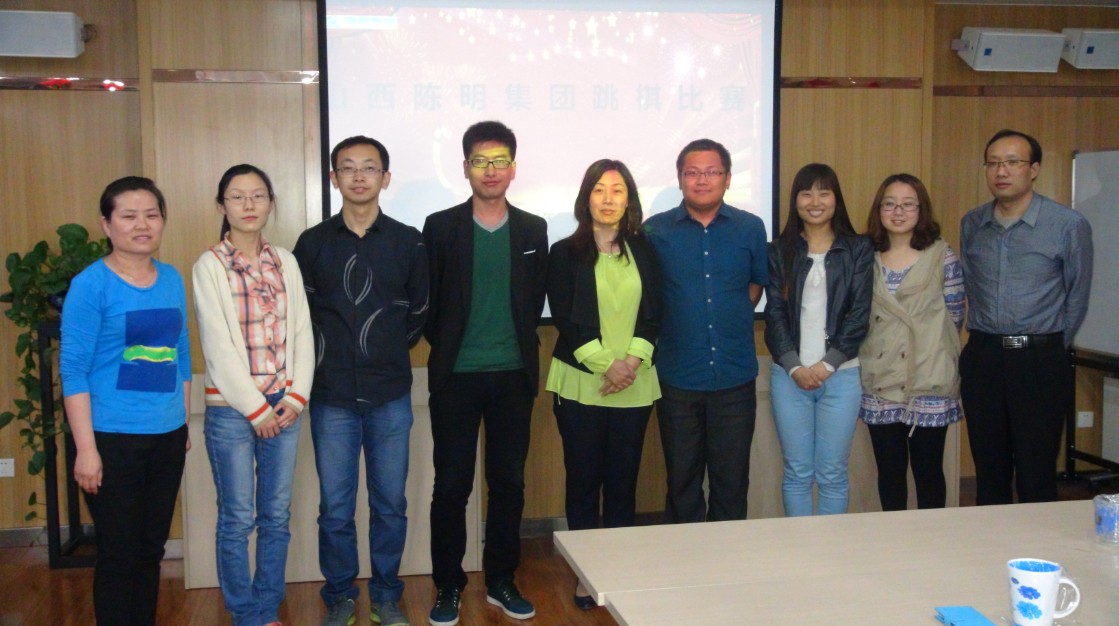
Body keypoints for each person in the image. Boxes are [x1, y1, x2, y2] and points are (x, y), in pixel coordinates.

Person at [293, 136, 429, 626]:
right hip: (331, 396)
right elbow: (301, 316)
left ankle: (387, 596)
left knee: (390, 504)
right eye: (347, 167)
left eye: (369, 167)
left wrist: (383, 349)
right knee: (335, 508)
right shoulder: (313, 243)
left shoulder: (409, 241)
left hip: (390, 393)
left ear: (385, 179)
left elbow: (420, 311)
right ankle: (340, 597)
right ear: (333, 178)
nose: (358, 176)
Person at [422, 120, 547, 626]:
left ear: (513, 169)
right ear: (465, 168)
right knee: (452, 485)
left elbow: (534, 298)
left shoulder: (533, 228)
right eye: (480, 161)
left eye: (499, 161)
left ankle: (500, 579)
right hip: (456, 375)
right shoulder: (440, 226)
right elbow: (429, 300)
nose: (490, 171)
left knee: (509, 483)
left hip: (513, 375)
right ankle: (449, 584)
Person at [61, 176, 191, 625]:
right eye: (129, 216)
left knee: (151, 550)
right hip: (111, 439)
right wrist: (86, 450)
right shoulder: (90, 285)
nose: (142, 225)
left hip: (167, 436)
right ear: (106, 224)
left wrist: (182, 421)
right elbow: (73, 371)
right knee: (119, 555)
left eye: (152, 215)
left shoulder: (171, 278)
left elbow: (181, 353)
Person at [193, 164, 314, 626]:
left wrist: (296, 398)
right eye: (237, 196)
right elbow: (218, 347)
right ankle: (244, 614)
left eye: (258, 195)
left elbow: (302, 332)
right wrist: (256, 409)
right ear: (221, 205)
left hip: (284, 406)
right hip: (232, 411)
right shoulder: (209, 265)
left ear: (270, 203)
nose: (248, 205)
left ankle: (267, 609)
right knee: (237, 518)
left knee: (276, 516)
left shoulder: (285, 260)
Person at [546, 159, 661, 610]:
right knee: (582, 481)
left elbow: (655, 312)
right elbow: (565, 317)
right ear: (586, 198)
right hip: (581, 383)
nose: (608, 198)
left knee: (622, 483)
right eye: (599, 189)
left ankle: (616, 569)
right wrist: (605, 365)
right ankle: (586, 573)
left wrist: (629, 362)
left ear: (629, 199)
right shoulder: (564, 252)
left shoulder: (646, 250)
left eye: (617, 190)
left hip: (635, 382)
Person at [959, 129, 1093, 505]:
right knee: (989, 470)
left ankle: (1037, 544)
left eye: (1012, 162)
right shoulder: (972, 223)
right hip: (984, 356)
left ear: (1033, 169)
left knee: (1036, 472)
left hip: (1039, 360)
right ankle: (992, 540)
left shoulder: (1067, 224)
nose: (1001, 171)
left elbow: (1077, 296)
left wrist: (1049, 346)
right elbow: (971, 285)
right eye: (993, 163)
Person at [643, 138, 768, 523]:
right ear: (680, 178)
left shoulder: (750, 227)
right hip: (677, 377)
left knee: (732, 482)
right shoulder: (655, 230)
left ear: (727, 178)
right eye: (692, 173)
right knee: (682, 481)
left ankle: (726, 558)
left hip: (734, 376)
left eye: (712, 172)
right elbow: (647, 296)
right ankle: (686, 557)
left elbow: (755, 286)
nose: (702, 180)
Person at [764, 163, 873, 517]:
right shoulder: (778, 250)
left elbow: (859, 313)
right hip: (789, 376)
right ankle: (800, 547)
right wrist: (794, 366)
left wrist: (828, 364)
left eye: (824, 193)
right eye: (806, 193)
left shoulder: (858, 248)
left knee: (832, 475)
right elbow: (774, 315)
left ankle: (831, 548)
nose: (815, 201)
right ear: (795, 200)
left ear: (836, 199)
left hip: (841, 375)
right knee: (797, 473)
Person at [858, 173, 965, 511]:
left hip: (928, 376)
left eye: (908, 205)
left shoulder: (942, 255)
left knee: (929, 472)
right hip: (881, 377)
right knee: (889, 475)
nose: (898, 212)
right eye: (889, 204)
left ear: (921, 210)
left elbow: (955, 315)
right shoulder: (864, 256)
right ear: (879, 209)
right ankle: (895, 541)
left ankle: (933, 540)